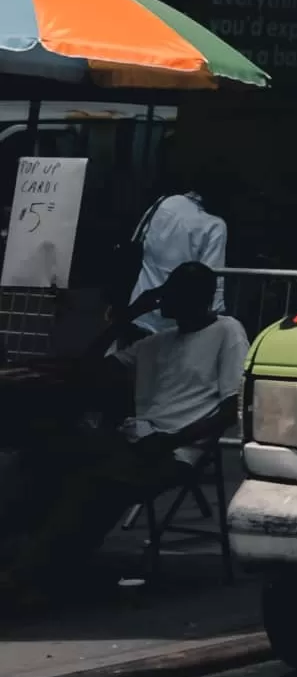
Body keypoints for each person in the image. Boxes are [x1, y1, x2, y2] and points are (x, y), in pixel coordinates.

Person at [0, 263, 247, 612]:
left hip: (174, 448)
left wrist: (174, 439)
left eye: (174, 291)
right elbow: (89, 366)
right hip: (135, 438)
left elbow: (232, 404)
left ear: (199, 298)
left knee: (92, 484)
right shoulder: (158, 343)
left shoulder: (226, 331)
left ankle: (26, 574)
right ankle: (35, 562)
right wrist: (127, 316)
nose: (165, 298)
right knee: (45, 456)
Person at [129, 186, 228, 333]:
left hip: (139, 308)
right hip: (174, 325)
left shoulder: (165, 202)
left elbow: (138, 242)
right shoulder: (214, 226)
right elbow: (212, 281)